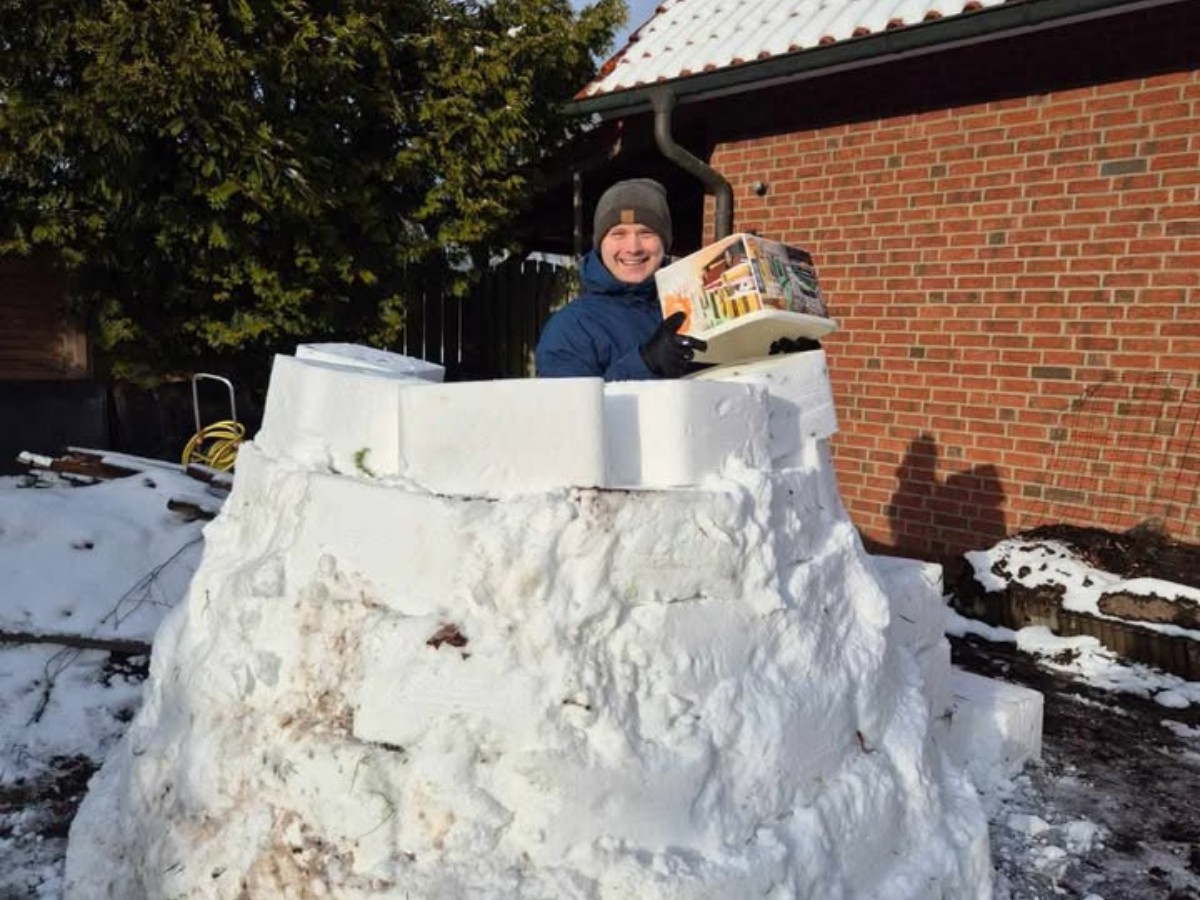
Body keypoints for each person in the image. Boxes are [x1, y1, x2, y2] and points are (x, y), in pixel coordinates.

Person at [535, 178, 706, 381]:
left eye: (646, 233)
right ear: (600, 245)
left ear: (665, 243)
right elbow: (572, 410)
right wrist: (646, 362)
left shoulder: (690, 308)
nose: (633, 248)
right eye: (618, 234)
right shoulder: (571, 327)